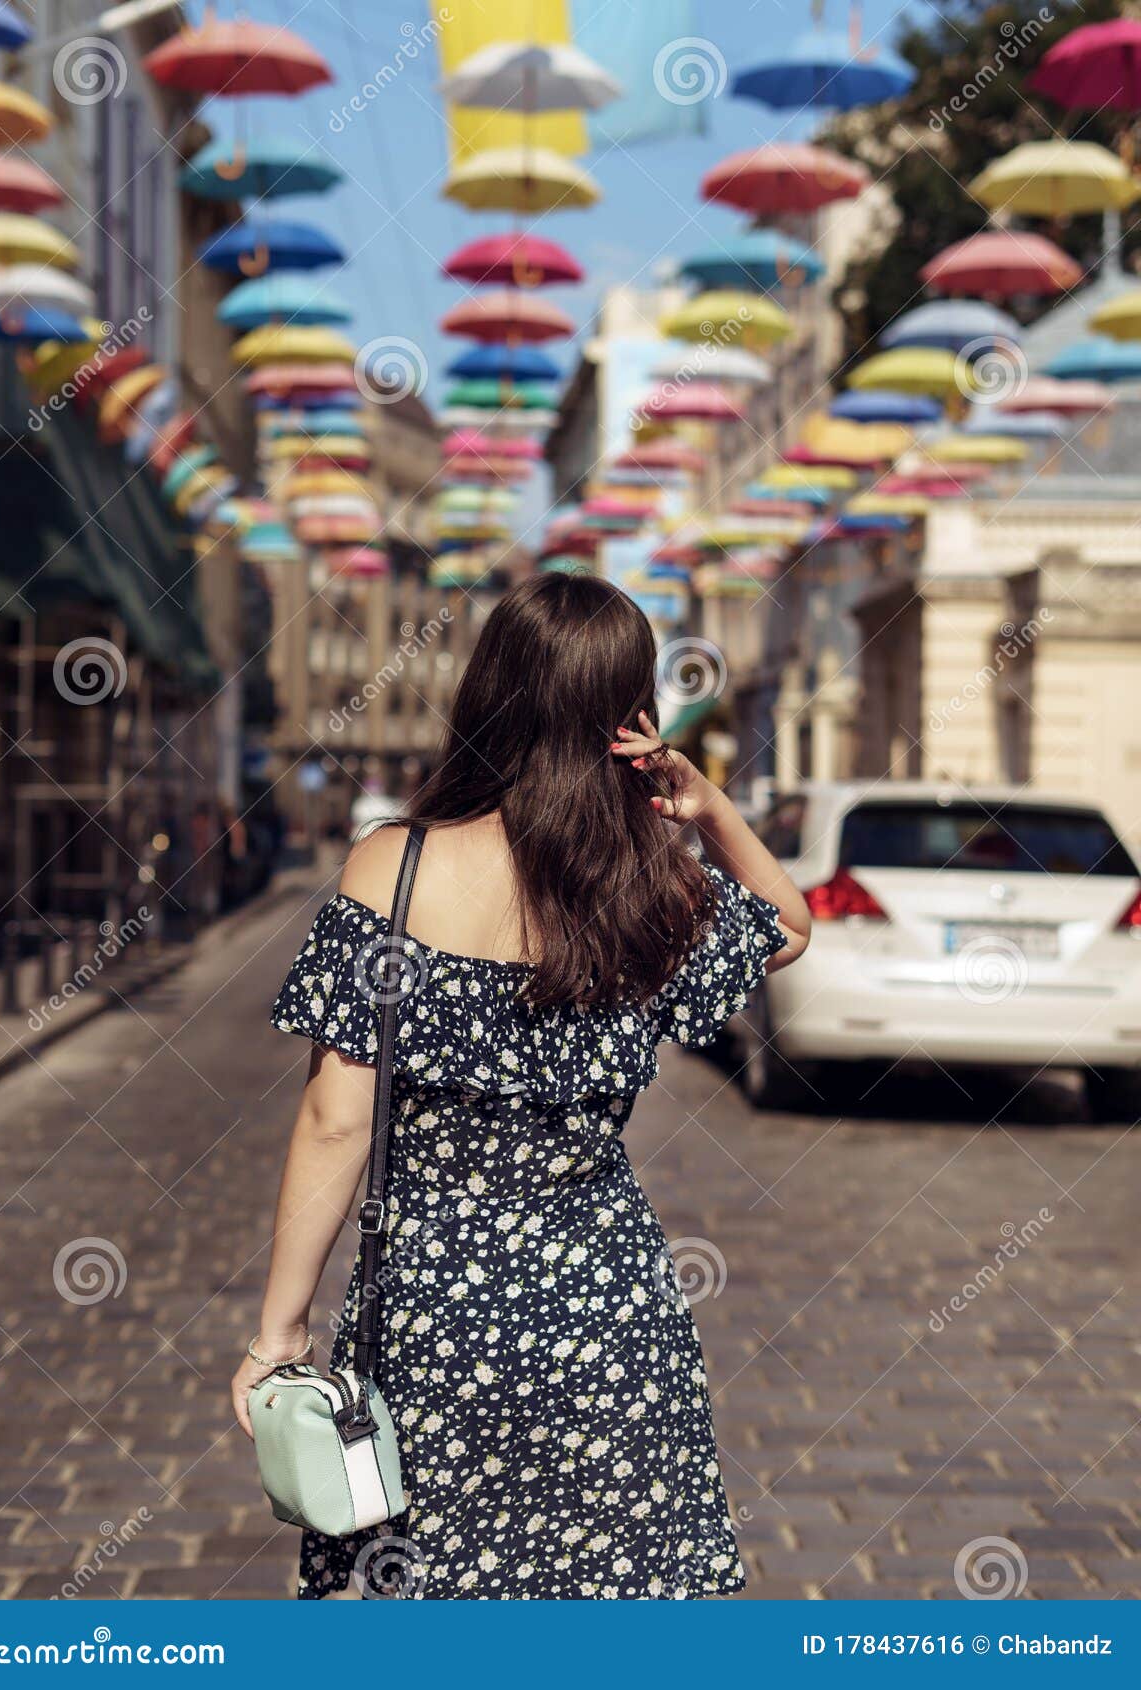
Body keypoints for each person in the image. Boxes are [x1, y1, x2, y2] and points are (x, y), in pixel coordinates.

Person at [232, 574, 811, 1600]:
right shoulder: (653, 886)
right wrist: (704, 800)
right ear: (629, 716)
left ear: (487, 691)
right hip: (610, 1310)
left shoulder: (392, 868)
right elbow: (789, 922)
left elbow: (335, 1122)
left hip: (431, 1317)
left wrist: (280, 1336)